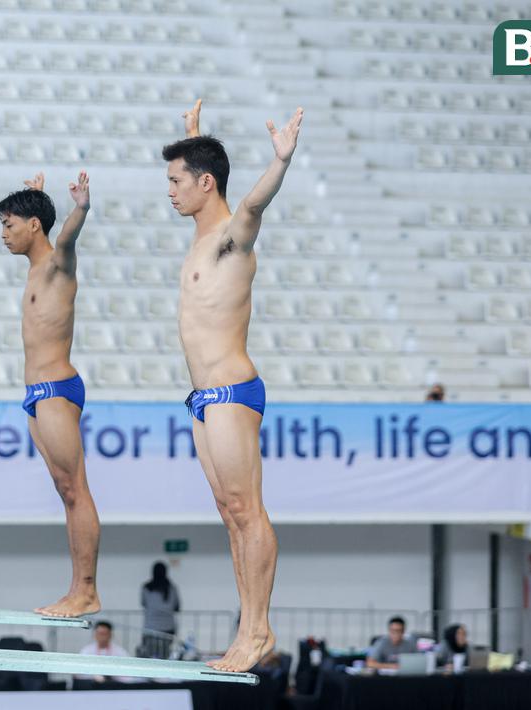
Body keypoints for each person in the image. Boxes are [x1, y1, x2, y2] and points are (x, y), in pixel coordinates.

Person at [166, 99, 302, 671]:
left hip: (231, 392)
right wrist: (195, 136)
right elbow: (213, 180)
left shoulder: (230, 237)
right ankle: (246, 627)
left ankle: (259, 630)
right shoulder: (202, 240)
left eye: (176, 181)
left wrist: (281, 162)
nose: (169, 191)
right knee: (229, 511)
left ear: (204, 183)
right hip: (202, 399)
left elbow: (250, 203)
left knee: (248, 510)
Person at [0, 171, 100, 619]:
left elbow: (67, 243)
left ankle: (86, 591)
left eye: (10, 224)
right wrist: (36, 197)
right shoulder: (35, 271)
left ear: (34, 225)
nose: (4, 234)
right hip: (36, 394)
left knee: (76, 490)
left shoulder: (57, 264)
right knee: (65, 491)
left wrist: (79, 209)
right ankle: (77, 588)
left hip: (57, 389)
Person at [141, 562, 181, 659]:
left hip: (150, 627)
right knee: (165, 655)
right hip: (168, 627)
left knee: (150, 656)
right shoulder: (172, 588)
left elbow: (143, 603)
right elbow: (177, 607)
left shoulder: (146, 588)